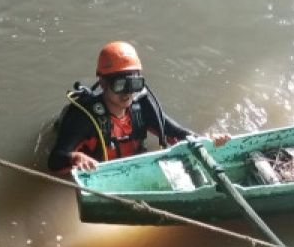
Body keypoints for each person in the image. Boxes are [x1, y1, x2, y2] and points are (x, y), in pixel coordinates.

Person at [46, 40, 230, 174]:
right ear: (102, 82)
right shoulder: (83, 118)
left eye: (133, 85)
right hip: (98, 171)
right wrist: (74, 158)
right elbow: (54, 160)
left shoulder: (142, 107)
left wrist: (207, 141)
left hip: (131, 167)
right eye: (120, 85)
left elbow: (176, 133)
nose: (127, 93)